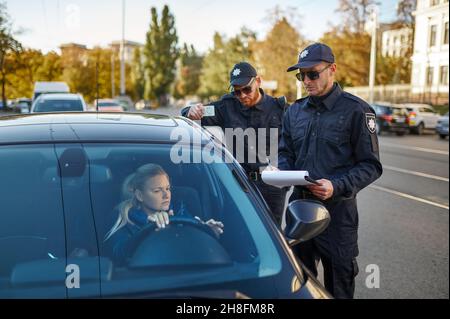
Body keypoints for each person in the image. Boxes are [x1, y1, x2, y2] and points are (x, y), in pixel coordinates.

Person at [278, 43, 383, 299]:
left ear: (332, 69)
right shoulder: (294, 112)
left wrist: (336, 185)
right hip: (299, 211)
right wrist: (282, 173)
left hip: (337, 216)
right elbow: (286, 153)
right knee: (300, 285)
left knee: (338, 287)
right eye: (301, 75)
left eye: (312, 74)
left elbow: (371, 166)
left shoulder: (356, 111)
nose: (306, 81)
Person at [181, 62, 287, 225]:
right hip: (240, 183)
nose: (242, 95)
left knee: (271, 234)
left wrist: (284, 179)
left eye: (246, 89)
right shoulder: (226, 106)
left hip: (271, 186)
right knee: (240, 228)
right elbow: (193, 113)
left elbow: (291, 148)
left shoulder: (279, 109)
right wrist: (190, 110)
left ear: (258, 81)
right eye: (237, 92)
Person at [104, 163, 224, 265]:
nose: (166, 195)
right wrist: (148, 231)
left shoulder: (180, 211)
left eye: (167, 188)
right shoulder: (122, 218)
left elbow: (194, 248)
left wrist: (207, 231)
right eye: (157, 191)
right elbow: (117, 255)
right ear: (140, 195)